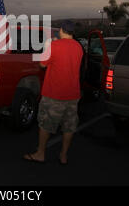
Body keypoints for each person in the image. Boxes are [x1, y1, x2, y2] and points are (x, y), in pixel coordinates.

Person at [23, 20, 83, 165]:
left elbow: (42, 64)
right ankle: (63, 155)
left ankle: (40, 154)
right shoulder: (78, 47)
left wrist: (49, 46)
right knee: (69, 126)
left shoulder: (54, 45)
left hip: (54, 94)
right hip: (73, 94)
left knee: (45, 124)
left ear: (62, 30)